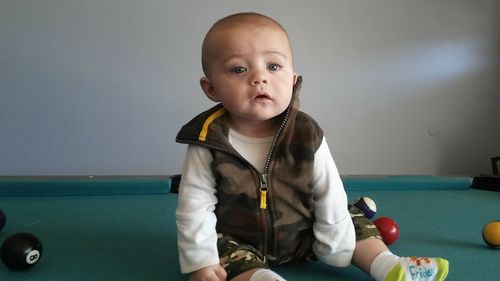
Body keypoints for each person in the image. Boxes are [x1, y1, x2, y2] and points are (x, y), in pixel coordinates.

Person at [175, 12, 449, 281]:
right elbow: (194, 208)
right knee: (217, 250)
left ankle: (388, 266)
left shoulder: (306, 133)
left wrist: (334, 242)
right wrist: (200, 263)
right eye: (239, 69)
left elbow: (328, 188)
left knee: (349, 217)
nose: (259, 78)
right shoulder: (206, 140)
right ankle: (260, 277)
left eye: (273, 66)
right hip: (241, 242)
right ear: (211, 89)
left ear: (293, 80)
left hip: (309, 234)